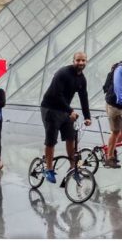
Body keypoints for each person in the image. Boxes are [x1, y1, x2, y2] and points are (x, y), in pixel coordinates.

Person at [40, 52, 92, 183]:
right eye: (78, 60)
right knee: (51, 140)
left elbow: (84, 97)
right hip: (50, 108)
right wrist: (70, 110)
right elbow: (56, 95)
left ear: (86, 61)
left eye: (83, 60)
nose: (81, 63)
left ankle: (73, 168)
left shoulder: (82, 79)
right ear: (73, 60)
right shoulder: (63, 73)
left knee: (71, 137)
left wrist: (87, 117)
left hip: (64, 110)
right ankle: (49, 169)